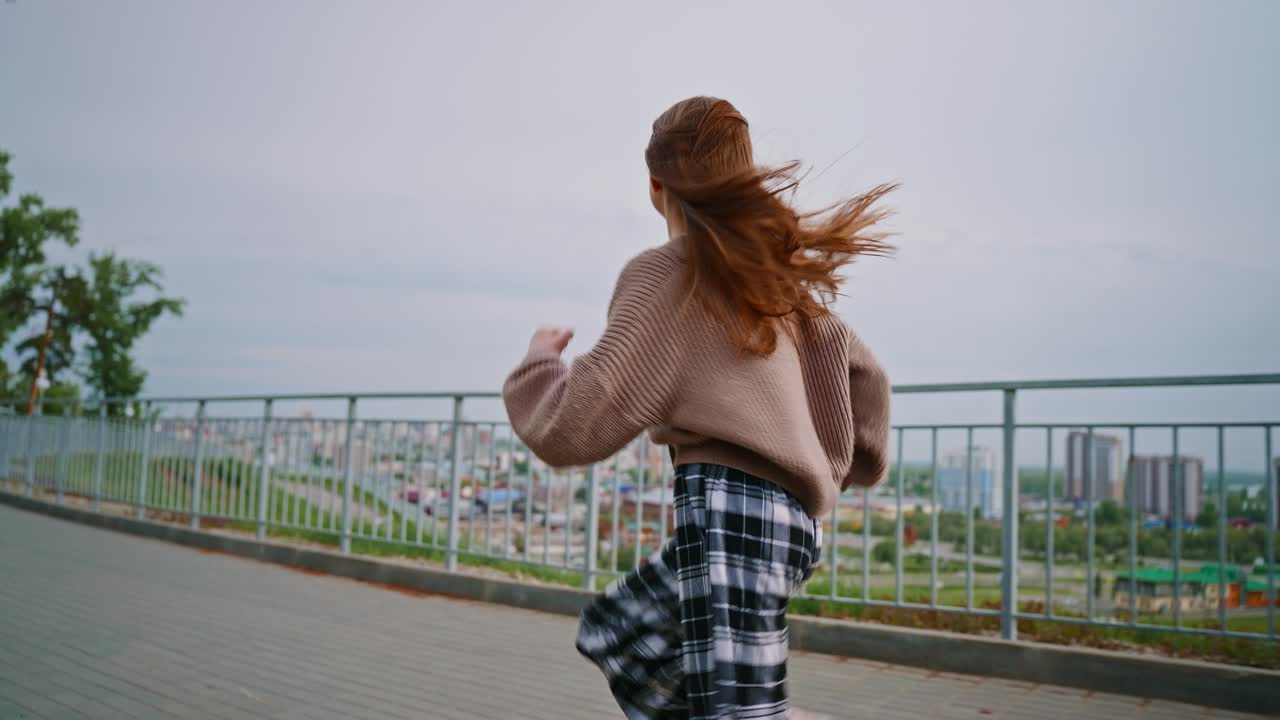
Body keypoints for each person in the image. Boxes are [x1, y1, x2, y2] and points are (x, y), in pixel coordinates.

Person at [502, 96, 893, 720]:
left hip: (729, 508)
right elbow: (866, 376)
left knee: (737, 715)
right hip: (786, 522)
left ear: (656, 184)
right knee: (620, 633)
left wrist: (538, 362)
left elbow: (571, 428)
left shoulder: (667, 275)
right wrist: (844, 463)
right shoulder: (773, 281)